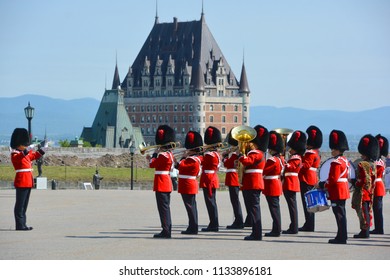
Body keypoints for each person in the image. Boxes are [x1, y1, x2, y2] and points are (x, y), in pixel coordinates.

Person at [10, 128, 45, 231]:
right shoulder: (15, 154)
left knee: (24, 205)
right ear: (18, 143)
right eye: (24, 144)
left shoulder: (23, 153)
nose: (25, 145)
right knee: (20, 205)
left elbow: (33, 155)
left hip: (28, 181)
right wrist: (27, 149)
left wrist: (43, 149)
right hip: (21, 181)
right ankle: (19, 225)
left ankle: (23, 224)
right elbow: (21, 156)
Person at [320, 129, 350, 244]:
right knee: (341, 213)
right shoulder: (344, 160)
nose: (331, 151)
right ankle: (342, 235)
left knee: (338, 213)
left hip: (337, 190)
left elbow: (332, 179)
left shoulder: (336, 162)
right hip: (343, 189)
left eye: (333, 149)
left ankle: (341, 237)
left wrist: (322, 184)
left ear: (337, 150)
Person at [239, 125, 269, 241]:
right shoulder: (257, 153)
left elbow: (248, 161)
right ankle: (255, 232)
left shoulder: (256, 153)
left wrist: (241, 156)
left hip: (253, 183)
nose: (248, 144)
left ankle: (257, 234)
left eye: (250, 142)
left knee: (254, 208)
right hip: (251, 182)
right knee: (253, 208)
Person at [146, 125, 176, 238]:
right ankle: (167, 228)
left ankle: (166, 230)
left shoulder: (163, 155)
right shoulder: (169, 154)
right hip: (166, 182)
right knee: (165, 208)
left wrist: (153, 155)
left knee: (163, 209)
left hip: (161, 183)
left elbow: (152, 164)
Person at [352, 134, 379, 239]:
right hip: (369, 191)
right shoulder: (372, 164)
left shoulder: (362, 164)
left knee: (363, 212)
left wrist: (354, 182)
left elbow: (363, 180)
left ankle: (365, 231)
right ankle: (365, 230)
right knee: (367, 211)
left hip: (362, 192)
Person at [177, 131, 203, 235]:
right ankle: (192, 226)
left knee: (190, 207)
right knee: (191, 207)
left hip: (188, 185)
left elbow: (180, 166)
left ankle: (193, 227)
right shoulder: (195, 158)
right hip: (188, 184)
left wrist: (183, 157)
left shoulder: (192, 160)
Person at [298, 125, 322, 232]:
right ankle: (309, 224)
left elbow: (305, 165)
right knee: (310, 203)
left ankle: (309, 224)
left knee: (307, 203)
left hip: (306, 178)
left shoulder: (310, 153)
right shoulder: (316, 152)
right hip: (312, 178)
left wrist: (297, 164)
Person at [282, 130, 306, 234]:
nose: (289, 150)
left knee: (292, 207)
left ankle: (294, 227)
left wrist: (283, 162)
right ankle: (293, 225)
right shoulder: (294, 157)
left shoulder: (296, 158)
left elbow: (290, 167)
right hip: (289, 182)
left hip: (291, 183)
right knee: (291, 206)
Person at [263, 130, 285, 237]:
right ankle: (276, 228)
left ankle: (276, 230)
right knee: (275, 208)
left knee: (274, 209)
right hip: (276, 184)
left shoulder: (272, 160)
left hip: (272, 185)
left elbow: (264, 171)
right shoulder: (279, 159)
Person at [200, 126, 222, 232]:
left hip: (208, 179)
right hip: (212, 178)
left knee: (210, 202)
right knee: (211, 202)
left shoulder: (209, 155)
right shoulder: (216, 154)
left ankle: (213, 224)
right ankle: (213, 223)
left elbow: (201, 162)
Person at [222, 129, 244, 229]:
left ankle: (238, 220)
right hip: (233, 178)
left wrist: (224, 157)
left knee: (235, 201)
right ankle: (238, 219)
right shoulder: (235, 153)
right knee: (235, 201)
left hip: (233, 178)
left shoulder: (235, 154)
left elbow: (228, 164)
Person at [371, 134, 388, 234]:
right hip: (378, 185)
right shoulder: (380, 160)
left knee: (377, 209)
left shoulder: (377, 162)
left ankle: (379, 229)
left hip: (377, 185)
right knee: (377, 209)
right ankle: (378, 228)